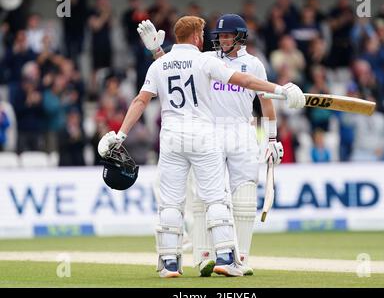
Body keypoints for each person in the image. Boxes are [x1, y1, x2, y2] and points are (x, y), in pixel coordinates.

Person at [98, 15, 305, 278]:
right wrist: (282, 89)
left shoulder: (161, 64)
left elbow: (140, 100)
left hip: (172, 137)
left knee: (171, 203)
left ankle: (170, 263)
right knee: (216, 198)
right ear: (196, 37)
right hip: (204, 135)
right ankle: (225, 258)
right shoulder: (206, 60)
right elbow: (247, 82)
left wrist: (121, 134)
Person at [139, 14, 284, 277]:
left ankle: (239, 258)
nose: (223, 40)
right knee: (205, 196)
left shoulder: (254, 64)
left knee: (244, 195)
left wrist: (272, 138)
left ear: (240, 37)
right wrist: (157, 51)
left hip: (242, 129)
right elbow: (172, 71)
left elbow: (266, 103)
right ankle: (204, 256)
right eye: (220, 36)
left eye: (228, 35)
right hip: (210, 130)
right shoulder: (209, 58)